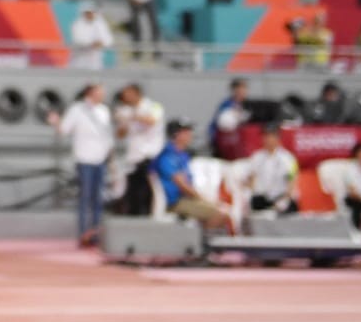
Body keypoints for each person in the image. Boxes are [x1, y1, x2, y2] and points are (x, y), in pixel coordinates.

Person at [49, 82, 115, 247]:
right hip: (84, 159)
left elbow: (107, 137)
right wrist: (56, 122)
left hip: (101, 159)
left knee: (98, 199)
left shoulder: (104, 111)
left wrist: (110, 159)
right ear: (90, 93)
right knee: (85, 197)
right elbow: (64, 130)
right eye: (99, 92)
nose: (102, 95)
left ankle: (96, 234)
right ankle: (83, 234)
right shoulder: (77, 109)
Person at [154, 119, 234, 233]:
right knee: (221, 214)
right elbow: (183, 186)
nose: (190, 135)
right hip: (175, 202)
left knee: (222, 209)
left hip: (186, 199)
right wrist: (205, 200)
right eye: (186, 131)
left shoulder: (182, 155)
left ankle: (201, 238)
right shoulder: (168, 156)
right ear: (176, 134)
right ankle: (202, 241)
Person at [115, 83, 165, 217]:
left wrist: (131, 116)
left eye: (127, 94)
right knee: (133, 188)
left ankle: (149, 214)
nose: (125, 98)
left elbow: (152, 120)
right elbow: (120, 134)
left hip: (150, 154)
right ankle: (134, 214)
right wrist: (123, 122)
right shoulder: (125, 110)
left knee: (148, 187)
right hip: (134, 155)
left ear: (136, 93)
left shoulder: (154, 106)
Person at [246, 124, 299, 215]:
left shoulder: (288, 158)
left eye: (271, 136)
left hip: (281, 197)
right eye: (265, 136)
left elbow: (292, 181)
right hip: (263, 199)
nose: (268, 139)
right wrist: (251, 194)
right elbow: (251, 180)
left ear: (278, 138)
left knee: (288, 206)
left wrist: (285, 200)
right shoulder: (256, 157)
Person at [207, 78, 250, 150]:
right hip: (226, 141)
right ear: (234, 90)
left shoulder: (248, 105)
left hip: (242, 142)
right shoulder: (226, 105)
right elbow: (218, 123)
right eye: (239, 89)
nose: (242, 92)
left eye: (244, 88)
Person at [69, 4, 113, 69]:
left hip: (95, 61)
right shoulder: (77, 24)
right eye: (88, 13)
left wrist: (101, 43)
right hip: (80, 59)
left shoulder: (100, 23)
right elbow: (77, 40)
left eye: (92, 12)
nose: (90, 15)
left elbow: (108, 39)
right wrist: (91, 43)